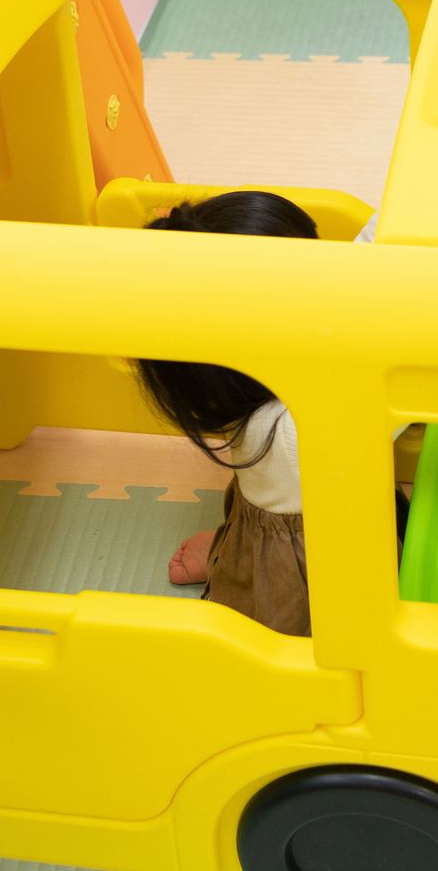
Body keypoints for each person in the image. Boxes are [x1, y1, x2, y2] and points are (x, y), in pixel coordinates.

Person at [133, 191, 324, 635]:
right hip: (307, 555)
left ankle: (235, 549)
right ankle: (240, 567)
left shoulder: (247, 380)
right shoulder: (292, 427)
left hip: (279, 504)